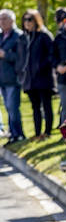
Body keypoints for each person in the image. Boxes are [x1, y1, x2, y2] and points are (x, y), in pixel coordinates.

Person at [19, 10, 57, 138]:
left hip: (43, 77)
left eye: (30, 19)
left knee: (46, 105)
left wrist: (42, 66)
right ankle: (36, 133)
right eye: (25, 20)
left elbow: (52, 54)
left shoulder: (44, 36)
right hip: (29, 79)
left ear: (36, 20)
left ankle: (47, 132)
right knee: (35, 107)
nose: (27, 22)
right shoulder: (24, 38)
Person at [0, 10, 24, 144]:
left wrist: (6, 55)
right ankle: (13, 134)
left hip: (13, 78)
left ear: (12, 20)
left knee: (13, 107)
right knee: (8, 108)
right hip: (2, 78)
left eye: (4, 19)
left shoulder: (18, 36)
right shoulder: (0, 36)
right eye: (0, 19)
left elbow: (21, 57)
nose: (1, 22)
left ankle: (18, 133)